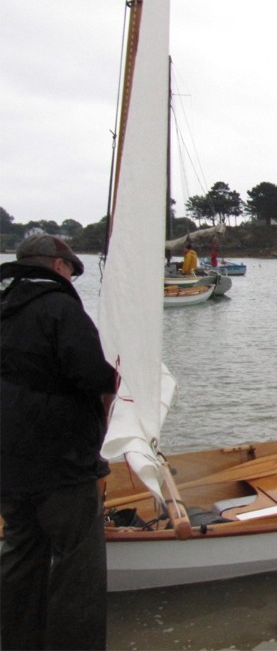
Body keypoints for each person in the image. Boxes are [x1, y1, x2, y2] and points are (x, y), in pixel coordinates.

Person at [1, 234, 117, 650]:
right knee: (77, 569)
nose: (70, 277)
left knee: (19, 556)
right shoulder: (60, 308)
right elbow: (92, 375)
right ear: (56, 267)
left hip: (8, 465)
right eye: (70, 269)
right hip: (62, 464)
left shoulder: (3, 306)